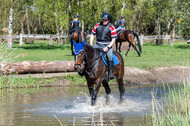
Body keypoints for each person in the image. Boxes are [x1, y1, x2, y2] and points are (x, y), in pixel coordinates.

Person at [90, 13, 117, 80]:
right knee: (88, 54)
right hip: (97, 44)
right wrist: (91, 43)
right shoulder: (97, 25)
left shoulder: (111, 27)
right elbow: (92, 34)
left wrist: (108, 47)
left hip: (107, 45)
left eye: (106, 20)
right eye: (103, 20)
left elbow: (113, 39)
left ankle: (110, 73)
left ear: (109, 20)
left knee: (110, 57)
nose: (104, 21)